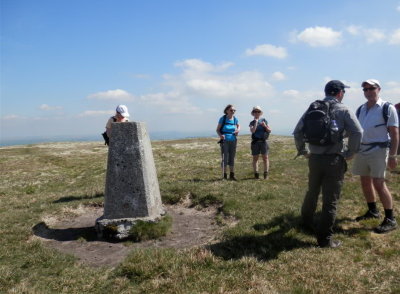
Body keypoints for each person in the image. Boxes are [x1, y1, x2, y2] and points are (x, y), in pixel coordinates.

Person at [293, 80, 363, 248]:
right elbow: (358, 131)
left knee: (312, 192)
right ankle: (325, 239)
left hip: (315, 159)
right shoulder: (343, 109)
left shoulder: (314, 107)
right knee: (330, 200)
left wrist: (303, 151)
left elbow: (297, 131)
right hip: (334, 160)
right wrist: (350, 153)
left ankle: (306, 222)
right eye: (343, 92)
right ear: (339, 93)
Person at [352, 79, 399, 233]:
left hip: (379, 149)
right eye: (365, 89)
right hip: (362, 149)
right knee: (365, 181)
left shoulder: (387, 108)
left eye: (371, 88)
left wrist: (392, 156)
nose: (368, 91)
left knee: (378, 183)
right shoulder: (361, 109)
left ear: (379, 89)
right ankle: (372, 210)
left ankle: (390, 219)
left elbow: (394, 133)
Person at [216, 104, 240, 180]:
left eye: (234, 110)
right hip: (225, 141)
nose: (233, 111)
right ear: (227, 111)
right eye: (231, 110)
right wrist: (221, 136)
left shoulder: (235, 119)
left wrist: (238, 130)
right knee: (224, 157)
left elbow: (239, 125)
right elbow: (217, 130)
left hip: (233, 140)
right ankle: (224, 175)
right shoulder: (222, 119)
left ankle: (232, 175)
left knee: (232, 157)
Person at [249, 106, 271, 179]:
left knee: (265, 158)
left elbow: (269, 130)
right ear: (253, 113)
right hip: (255, 142)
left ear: (260, 113)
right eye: (255, 111)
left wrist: (265, 126)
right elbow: (253, 131)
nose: (257, 113)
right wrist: (256, 122)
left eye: (258, 111)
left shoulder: (264, 120)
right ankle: (256, 174)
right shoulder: (252, 122)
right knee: (255, 158)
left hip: (263, 141)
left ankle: (266, 173)